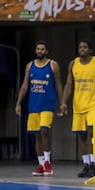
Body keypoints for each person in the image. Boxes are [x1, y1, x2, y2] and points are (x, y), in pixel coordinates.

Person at [61, 40, 95, 178]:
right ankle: (86, 164)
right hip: (78, 105)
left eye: (85, 47)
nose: (82, 49)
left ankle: (93, 163)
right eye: (80, 47)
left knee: (92, 133)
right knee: (81, 136)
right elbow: (69, 84)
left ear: (90, 50)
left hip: (93, 104)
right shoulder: (73, 64)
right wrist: (64, 102)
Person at [15, 40, 64, 176]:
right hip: (33, 105)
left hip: (47, 104)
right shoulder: (30, 66)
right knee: (36, 134)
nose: (40, 51)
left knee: (44, 130)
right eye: (38, 49)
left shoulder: (53, 65)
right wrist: (18, 102)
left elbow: (58, 84)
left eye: (42, 49)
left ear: (46, 51)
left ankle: (48, 162)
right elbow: (25, 85)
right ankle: (41, 164)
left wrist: (62, 102)